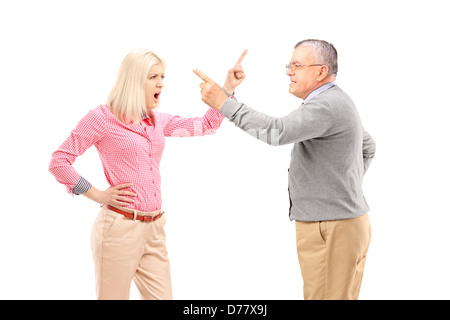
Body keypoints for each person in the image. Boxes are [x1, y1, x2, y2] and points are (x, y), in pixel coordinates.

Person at [48, 48, 245, 300]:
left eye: (162, 77)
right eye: (153, 77)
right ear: (133, 79)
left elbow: (205, 126)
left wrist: (227, 89)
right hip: (119, 229)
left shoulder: (157, 121)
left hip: (154, 228)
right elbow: (59, 161)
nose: (161, 83)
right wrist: (98, 195)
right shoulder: (101, 118)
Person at [194, 39, 376, 300]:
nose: (289, 71)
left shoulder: (326, 106)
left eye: (297, 65)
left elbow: (275, 133)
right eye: (289, 65)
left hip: (332, 224)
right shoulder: (334, 102)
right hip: (334, 222)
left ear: (321, 71)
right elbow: (368, 145)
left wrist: (224, 101)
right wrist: (343, 189)